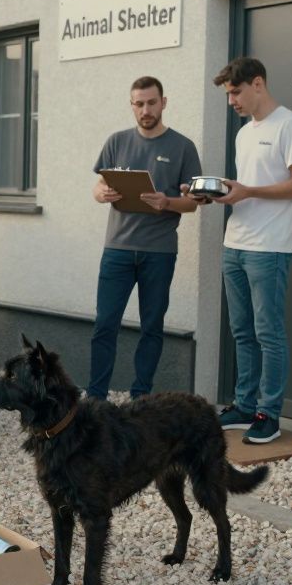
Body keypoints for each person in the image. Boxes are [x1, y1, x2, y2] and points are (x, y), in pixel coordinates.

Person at [185, 57, 292, 445]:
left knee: (268, 333)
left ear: (258, 83)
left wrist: (249, 191)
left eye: (236, 92)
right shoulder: (245, 133)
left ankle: (268, 414)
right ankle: (243, 405)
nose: (232, 102)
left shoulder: (291, 125)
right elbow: (248, 186)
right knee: (241, 331)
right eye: (229, 95)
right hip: (235, 243)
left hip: (270, 248)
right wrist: (217, 194)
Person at [88, 76, 202, 402]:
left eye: (152, 102)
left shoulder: (183, 147)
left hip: (159, 252)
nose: (146, 110)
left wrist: (167, 202)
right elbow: (97, 189)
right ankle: (95, 399)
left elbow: (193, 203)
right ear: (132, 105)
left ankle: (141, 398)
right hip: (117, 249)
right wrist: (103, 193)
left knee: (151, 328)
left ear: (163, 102)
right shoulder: (116, 141)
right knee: (104, 325)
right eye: (139, 104)